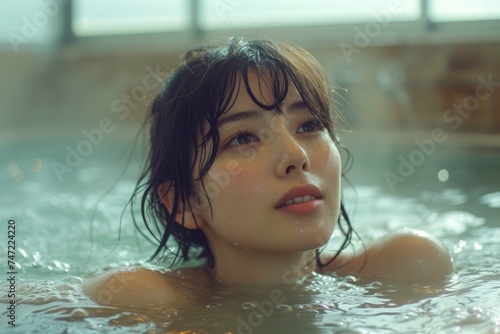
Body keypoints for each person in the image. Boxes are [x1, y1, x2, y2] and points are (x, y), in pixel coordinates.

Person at [83, 38, 453, 310]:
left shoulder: (406, 269)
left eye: (308, 125)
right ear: (183, 201)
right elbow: (22, 306)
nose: (296, 156)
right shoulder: (140, 299)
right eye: (243, 137)